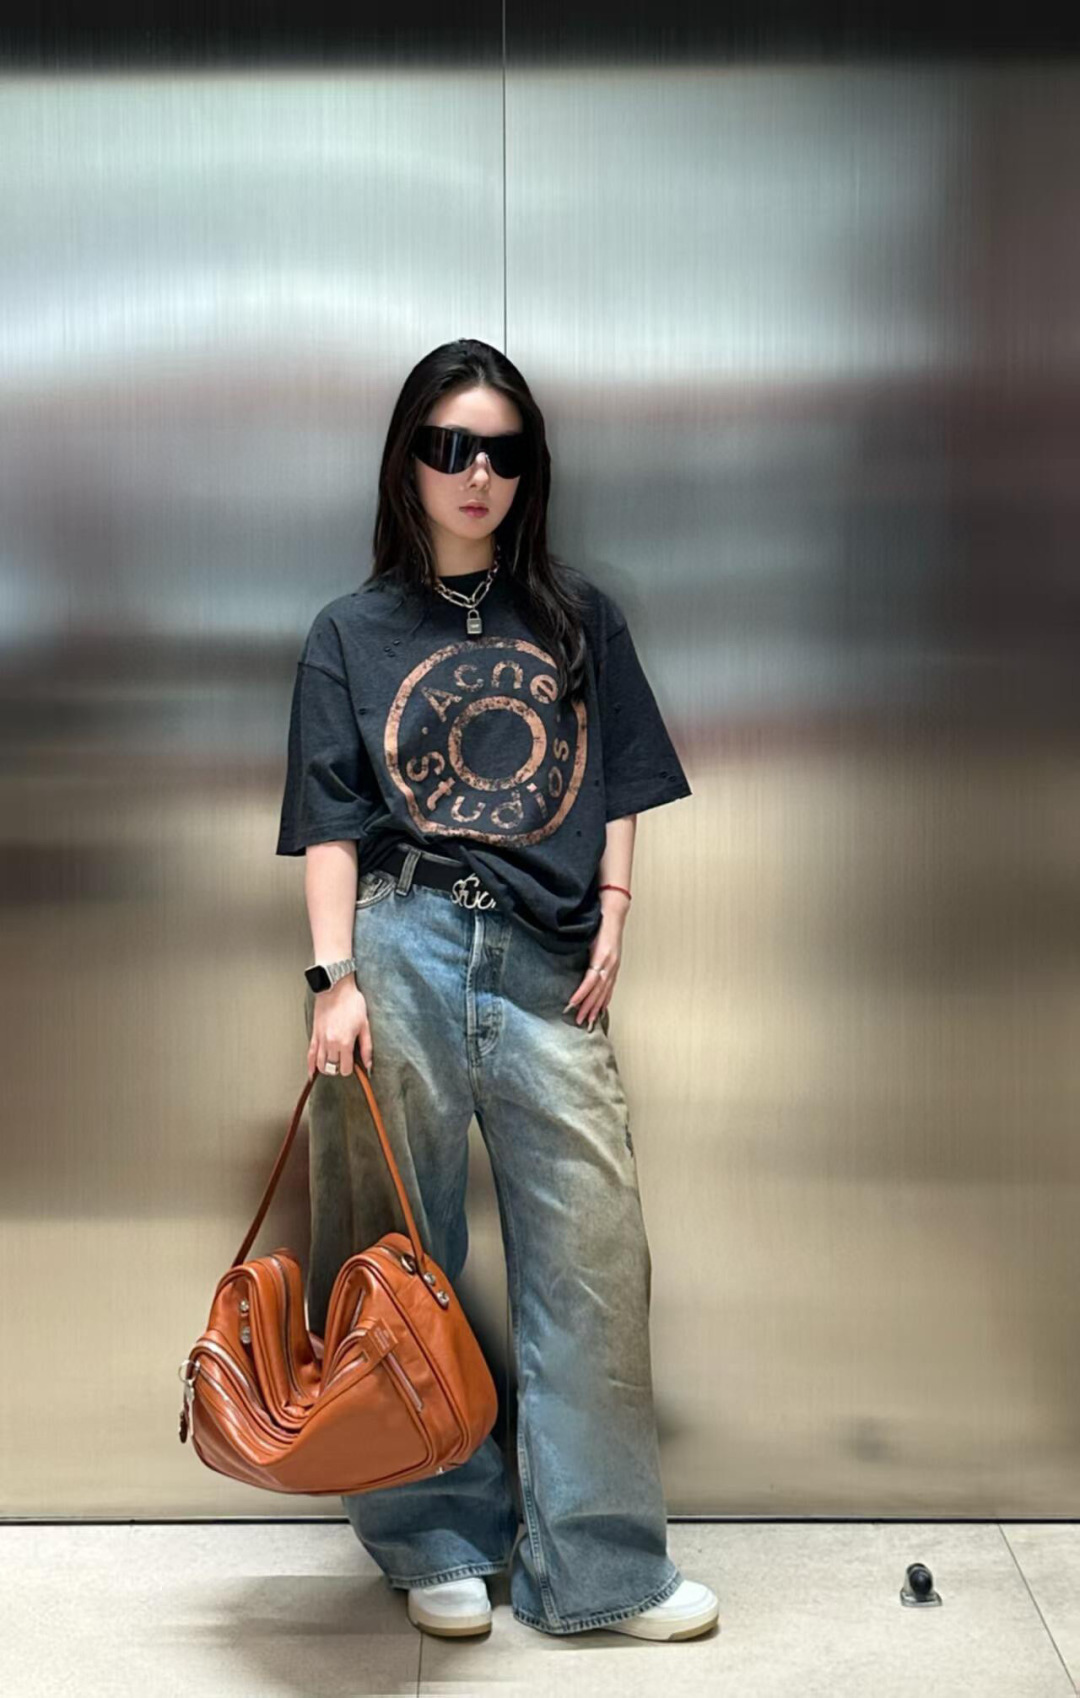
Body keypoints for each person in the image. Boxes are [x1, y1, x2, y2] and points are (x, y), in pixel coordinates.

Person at [275, 338, 717, 1642]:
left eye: (505, 452)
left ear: (532, 471)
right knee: (396, 1254)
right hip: (399, 945)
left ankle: (603, 1566)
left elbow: (621, 774)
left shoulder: (580, 616)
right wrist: (333, 979)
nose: (478, 474)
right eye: (451, 447)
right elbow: (328, 822)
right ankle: (431, 1537)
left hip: (548, 959)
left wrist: (616, 912)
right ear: (407, 461)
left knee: (592, 1254)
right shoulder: (350, 632)